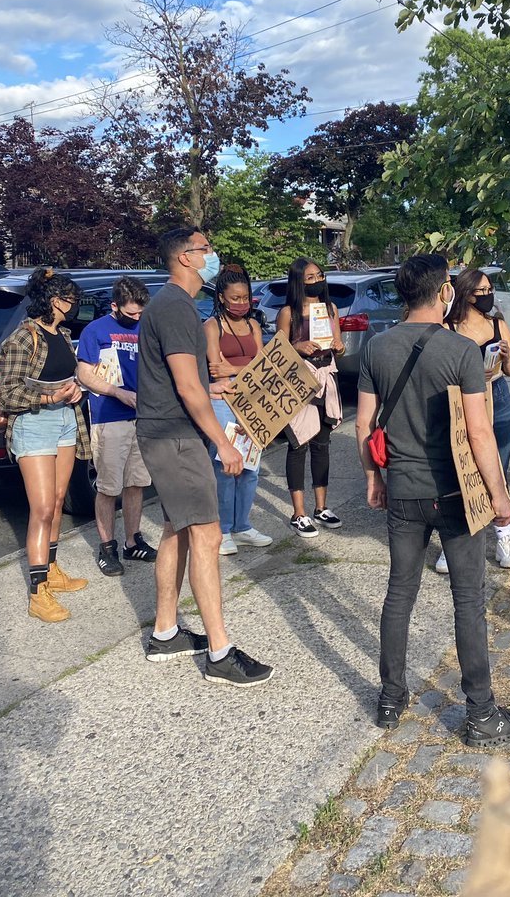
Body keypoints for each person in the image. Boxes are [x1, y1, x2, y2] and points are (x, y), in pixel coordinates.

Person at [356, 254, 510, 746]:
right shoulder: (460, 350)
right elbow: (479, 433)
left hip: (403, 490)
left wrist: (373, 477)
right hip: (457, 493)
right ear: (444, 293)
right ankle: (481, 714)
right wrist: (500, 496)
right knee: (468, 600)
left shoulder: (377, 347)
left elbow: (364, 423)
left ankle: (390, 697)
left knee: (400, 593)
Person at [137, 227, 272, 686]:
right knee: (208, 535)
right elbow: (186, 387)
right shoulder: (176, 306)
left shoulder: (175, 305)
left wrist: (214, 387)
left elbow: (186, 381)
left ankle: (165, 633)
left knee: (177, 530)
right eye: (206, 249)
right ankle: (220, 653)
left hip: (166, 431)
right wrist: (223, 441)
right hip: (175, 437)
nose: (212, 256)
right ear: (186, 258)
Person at [0, 267, 89, 622]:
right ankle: (38, 593)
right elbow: (8, 394)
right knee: (43, 508)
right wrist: (49, 398)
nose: (75, 305)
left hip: (65, 420)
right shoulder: (22, 339)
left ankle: (50, 569)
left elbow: (68, 375)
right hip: (33, 425)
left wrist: (75, 390)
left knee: (59, 500)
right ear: (55, 301)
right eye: (71, 299)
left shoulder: (62, 334)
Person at [434, 267, 510, 572]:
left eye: (489, 290)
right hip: (463, 400)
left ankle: (504, 537)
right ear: (465, 294)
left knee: (499, 469)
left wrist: (507, 357)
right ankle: (455, 541)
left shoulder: (497, 324)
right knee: (463, 470)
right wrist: (468, 374)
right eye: (480, 291)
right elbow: (440, 371)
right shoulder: (448, 327)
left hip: (498, 395)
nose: (487, 296)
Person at [76, 276, 157, 577]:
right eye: (131, 312)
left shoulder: (146, 327)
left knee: (136, 483)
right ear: (114, 306)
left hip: (142, 417)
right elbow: (84, 374)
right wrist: (117, 392)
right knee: (109, 486)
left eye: (140, 312)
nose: (136, 317)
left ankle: (132, 541)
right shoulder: (95, 331)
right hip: (109, 417)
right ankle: (107, 546)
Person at [204, 262, 271, 556]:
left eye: (245, 298)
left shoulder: (253, 325)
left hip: (253, 399)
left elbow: (266, 366)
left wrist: (233, 368)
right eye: (235, 298)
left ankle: (242, 526)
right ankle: (223, 529)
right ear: (221, 297)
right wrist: (246, 368)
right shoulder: (212, 326)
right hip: (223, 401)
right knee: (225, 466)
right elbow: (215, 369)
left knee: (250, 467)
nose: (241, 303)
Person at [276, 257, 345, 538]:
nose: (317, 281)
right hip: (299, 381)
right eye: (310, 277)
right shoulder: (288, 313)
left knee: (322, 444)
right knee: (299, 444)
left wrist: (339, 346)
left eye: (320, 275)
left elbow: (339, 346)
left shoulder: (330, 308)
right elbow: (277, 352)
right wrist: (298, 346)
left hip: (326, 377)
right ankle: (298, 512)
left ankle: (321, 507)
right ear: (298, 281)